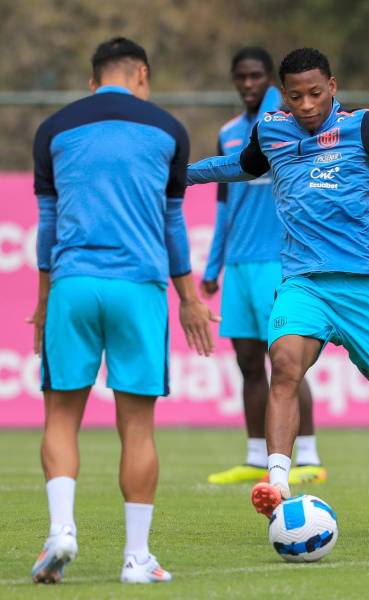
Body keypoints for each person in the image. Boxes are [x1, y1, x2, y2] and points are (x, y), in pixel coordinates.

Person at [187, 48, 369, 517]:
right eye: (295, 96)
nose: (306, 105)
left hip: (365, 286)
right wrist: (183, 176)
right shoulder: (271, 131)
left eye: (314, 93)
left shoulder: (364, 126)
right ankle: (279, 481)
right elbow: (241, 167)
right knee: (283, 365)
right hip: (304, 282)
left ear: (332, 85)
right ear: (282, 96)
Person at [30, 37, 217, 584]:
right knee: (137, 425)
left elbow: (47, 225)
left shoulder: (53, 130)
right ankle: (137, 559)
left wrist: (43, 300)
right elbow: (173, 224)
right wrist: (189, 300)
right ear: (142, 74)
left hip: (73, 284)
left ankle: (61, 531)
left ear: (93, 82)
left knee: (62, 415)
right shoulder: (168, 130)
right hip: (138, 288)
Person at [203, 47, 325, 487]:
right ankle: (256, 456)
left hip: (281, 259)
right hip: (238, 263)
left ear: (271, 81)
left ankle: (308, 453)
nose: (249, 83)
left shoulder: (291, 122)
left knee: (287, 361)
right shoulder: (229, 132)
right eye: (242, 77)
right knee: (249, 361)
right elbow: (224, 204)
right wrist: (214, 263)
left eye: (257, 76)